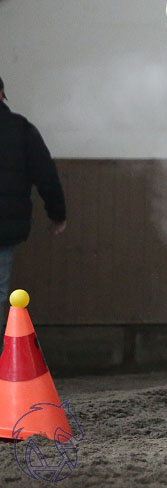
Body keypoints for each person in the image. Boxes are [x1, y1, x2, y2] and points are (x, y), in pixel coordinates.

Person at [0, 75, 66, 325]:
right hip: (5, 228)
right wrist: (57, 215)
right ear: (2, 94)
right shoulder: (21, 129)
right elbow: (46, 175)